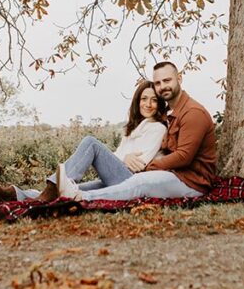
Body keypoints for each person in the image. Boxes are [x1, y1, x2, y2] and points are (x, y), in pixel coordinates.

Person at [56, 60, 217, 202]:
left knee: (139, 182)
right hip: (174, 174)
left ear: (179, 79)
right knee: (96, 184)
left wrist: (150, 167)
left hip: (192, 182)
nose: (162, 86)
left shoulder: (193, 113)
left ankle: (81, 198)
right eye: (158, 83)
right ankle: (47, 192)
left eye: (167, 80)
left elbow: (184, 156)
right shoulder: (173, 114)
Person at [0, 80, 168, 203]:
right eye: (144, 99)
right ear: (137, 101)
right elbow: (120, 158)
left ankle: (52, 187)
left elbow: (139, 165)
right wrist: (124, 157)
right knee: (72, 189)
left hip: (131, 181)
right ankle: (15, 193)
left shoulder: (158, 128)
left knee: (90, 143)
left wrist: (123, 158)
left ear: (159, 104)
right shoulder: (132, 130)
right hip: (116, 176)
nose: (148, 104)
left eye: (154, 100)